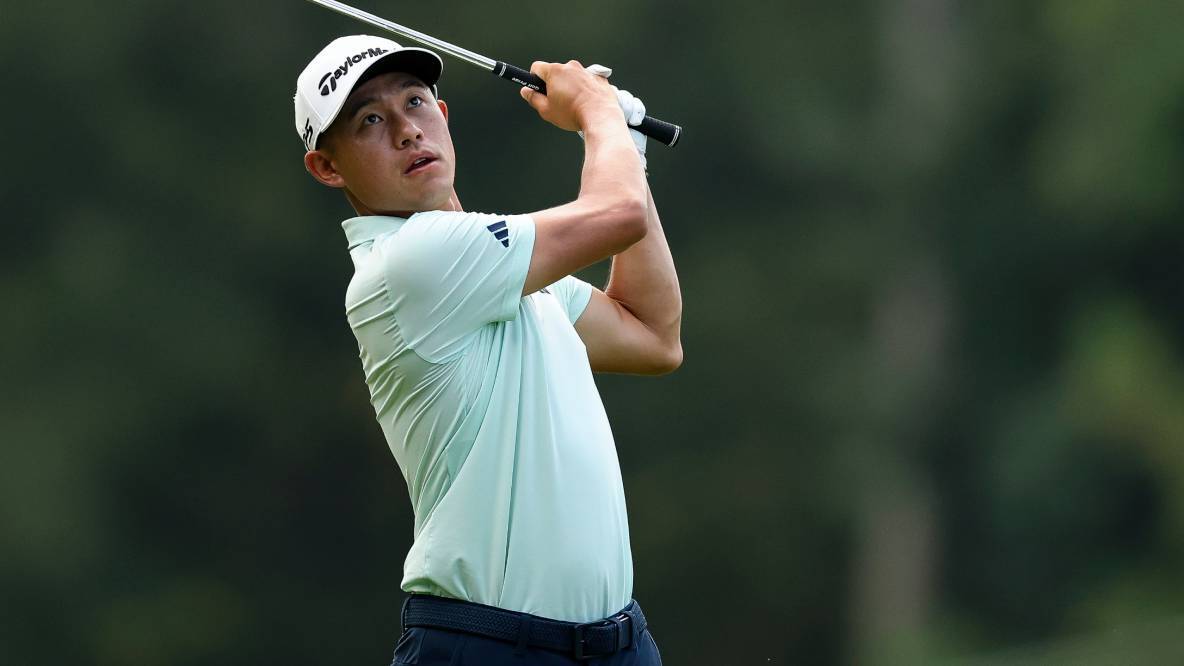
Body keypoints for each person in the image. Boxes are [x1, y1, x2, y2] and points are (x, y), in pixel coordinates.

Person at [293, 34, 682, 665]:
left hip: (619, 644)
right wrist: (600, 116)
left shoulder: (497, 265)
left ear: (443, 117)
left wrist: (626, 152)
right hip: (489, 645)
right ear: (327, 167)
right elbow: (618, 216)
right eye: (370, 121)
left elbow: (652, 334)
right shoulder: (408, 263)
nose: (406, 131)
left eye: (415, 103)